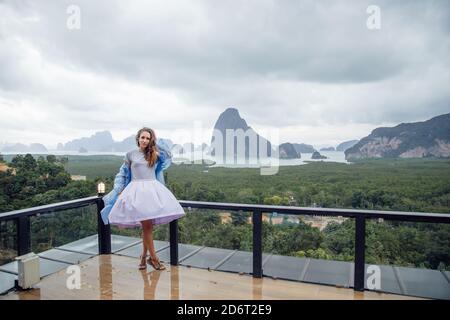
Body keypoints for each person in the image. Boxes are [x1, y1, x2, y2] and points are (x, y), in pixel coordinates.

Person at [101, 127, 185, 270]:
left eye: (148, 138)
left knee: (148, 227)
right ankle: (154, 259)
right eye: (143, 137)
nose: (145, 140)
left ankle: (143, 258)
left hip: (152, 191)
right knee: (147, 227)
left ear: (150, 140)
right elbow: (123, 173)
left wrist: (156, 146)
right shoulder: (130, 155)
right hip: (136, 193)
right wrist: (119, 189)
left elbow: (169, 155)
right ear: (138, 138)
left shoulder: (155, 154)